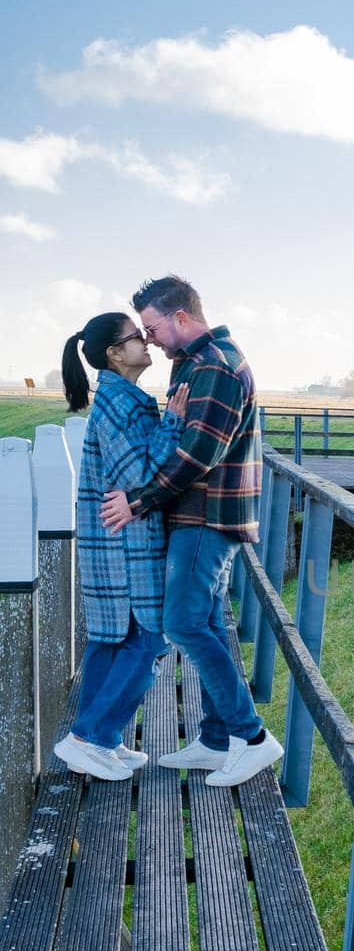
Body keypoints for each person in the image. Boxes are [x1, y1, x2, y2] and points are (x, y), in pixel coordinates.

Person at [101, 276, 282, 787]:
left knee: (182, 624)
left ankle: (251, 738)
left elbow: (199, 454)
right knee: (204, 622)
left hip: (208, 515)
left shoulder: (217, 367)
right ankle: (217, 738)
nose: (149, 338)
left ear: (181, 317)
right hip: (197, 514)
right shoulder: (195, 361)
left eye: (153, 327)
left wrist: (137, 501)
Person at [55, 312, 189, 780]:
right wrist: (172, 423)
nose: (146, 341)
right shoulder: (119, 403)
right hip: (124, 546)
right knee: (147, 639)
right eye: (137, 337)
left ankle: (101, 739)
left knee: (112, 641)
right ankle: (87, 737)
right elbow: (137, 477)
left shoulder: (120, 398)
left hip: (115, 542)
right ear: (115, 353)